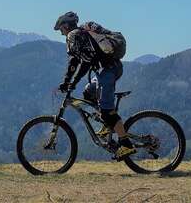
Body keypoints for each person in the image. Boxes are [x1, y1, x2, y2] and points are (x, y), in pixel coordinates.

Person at [54, 11, 136, 160]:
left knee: (106, 111)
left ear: (66, 26)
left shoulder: (75, 36)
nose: (61, 34)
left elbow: (81, 62)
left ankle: (126, 144)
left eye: (61, 29)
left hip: (108, 71)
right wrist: (70, 82)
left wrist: (70, 82)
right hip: (106, 70)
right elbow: (80, 61)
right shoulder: (81, 36)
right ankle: (108, 124)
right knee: (88, 93)